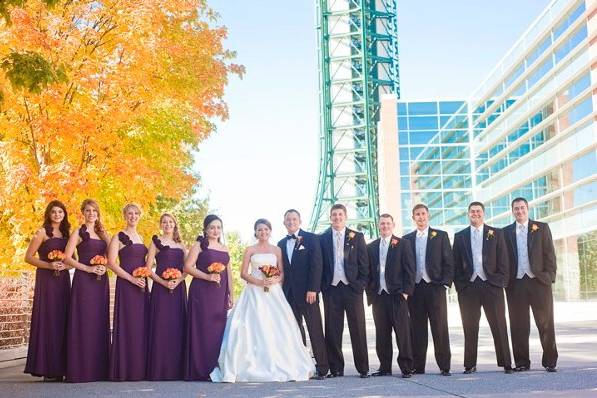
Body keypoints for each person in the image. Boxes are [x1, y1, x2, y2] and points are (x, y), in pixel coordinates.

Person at [210, 219, 314, 382]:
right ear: (255, 232)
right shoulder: (250, 250)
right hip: (253, 291)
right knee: (250, 326)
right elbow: (243, 273)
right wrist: (258, 282)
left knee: (276, 326)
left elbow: (281, 273)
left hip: (273, 292)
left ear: (270, 231)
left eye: (266, 229)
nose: (263, 232)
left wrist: (274, 280)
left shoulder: (276, 250)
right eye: (259, 230)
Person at [453, 201, 513, 374]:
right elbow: (455, 263)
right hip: (468, 287)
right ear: (468, 214)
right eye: (472, 212)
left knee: (499, 325)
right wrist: (460, 286)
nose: (475, 214)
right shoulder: (460, 236)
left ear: (483, 213)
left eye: (478, 211)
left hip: (492, 286)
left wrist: (500, 282)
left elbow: (504, 261)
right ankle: (470, 364)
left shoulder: (496, 233)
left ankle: (506, 362)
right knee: (469, 326)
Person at [504, 197, 558, 372]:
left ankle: (550, 361)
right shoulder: (505, 232)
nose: (519, 211)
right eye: (516, 209)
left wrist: (549, 277)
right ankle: (521, 362)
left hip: (539, 283)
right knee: (518, 325)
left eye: (522, 208)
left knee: (545, 323)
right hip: (516, 284)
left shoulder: (541, 228)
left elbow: (550, 253)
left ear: (527, 209)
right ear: (512, 211)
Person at [277, 209, 328, 380]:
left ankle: (322, 367)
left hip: (308, 293)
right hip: (289, 294)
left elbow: (317, 265)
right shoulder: (281, 244)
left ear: (300, 221)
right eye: (288, 219)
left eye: (294, 219)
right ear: (284, 223)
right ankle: (302, 365)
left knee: (315, 329)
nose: (291, 222)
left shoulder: (312, 238)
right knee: (295, 331)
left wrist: (313, 289)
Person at [403, 204, 454, 376]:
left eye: (423, 214)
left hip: (435, 288)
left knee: (439, 327)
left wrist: (445, 283)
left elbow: (449, 262)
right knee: (417, 329)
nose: (421, 217)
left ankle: (444, 365)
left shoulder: (440, 236)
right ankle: (418, 366)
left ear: (428, 215)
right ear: (413, 218)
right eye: (417, 214)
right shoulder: (406, 239)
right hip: (415, 289)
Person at [63, 199, 111, 382]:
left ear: (98, 213)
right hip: (84, 281)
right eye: (88, 211)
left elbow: (112, 256)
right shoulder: (78, 232)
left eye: (94, 211)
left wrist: (104, 266)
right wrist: (89, 269)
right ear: (83, 213)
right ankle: (81, 369)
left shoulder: (102, 233)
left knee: (99, 321)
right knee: (84, 322)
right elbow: (67, 258)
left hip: (101, 282)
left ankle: (99, 369)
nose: (91, 214)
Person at [320, 204, 370, 378]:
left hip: (352, 289)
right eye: (334, 215)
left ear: (345, 217)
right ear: (330, 217)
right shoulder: (322, 238)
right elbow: (320, 265)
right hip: (331, 289)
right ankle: (336, 368)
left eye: (340, 214)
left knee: (358, 327)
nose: (337, 217)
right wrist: (322, 286)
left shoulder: (357, 237)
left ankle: (363, 368)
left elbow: (364, 264)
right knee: (333, 330)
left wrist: (360, 285)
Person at [24, 200, 71, 381]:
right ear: (48, 214)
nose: (57, 214)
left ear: (64, 214)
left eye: (60, 211)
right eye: (54, 212)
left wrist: (64, 266)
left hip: (63, 283)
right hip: (47, 281)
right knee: (48, 320)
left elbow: (71, 260)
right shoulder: (42, 232)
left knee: (62, 320)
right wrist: (49, 266)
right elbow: (28, 257)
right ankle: (47, 367)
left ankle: (61, 367)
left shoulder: (67, 234)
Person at [367, 213, 415, 378]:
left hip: (397, 295)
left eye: (388, 223)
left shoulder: (403, 244)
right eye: (382, 224)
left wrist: (406, 292)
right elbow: (368, 273)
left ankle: (406, 367)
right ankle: (384, 366)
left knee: (402, 333)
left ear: (393, 225)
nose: (385, 226)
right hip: (379, 297)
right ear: (378, 226)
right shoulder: (371, 246)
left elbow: (410, 270)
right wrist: (370, 291)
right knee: (382, 334)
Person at [184, 215, 232, 381]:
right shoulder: (199, 245)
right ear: (205, 229)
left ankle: (214, 367)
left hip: (219, 295)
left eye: (218, 227)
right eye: (212, 227)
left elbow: (229, 274)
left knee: (217, 329)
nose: (215, 230)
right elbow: (188, 267)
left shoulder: (225, 248)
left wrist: (230, 293)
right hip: (202, 293)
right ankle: (199, 368)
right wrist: (207, 277)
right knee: (202, 328)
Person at [107, 203, 149, 381]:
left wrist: (143, 277)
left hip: (142, 285)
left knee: (141, 326)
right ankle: (125, 369)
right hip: (127, 285)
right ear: (125, 216)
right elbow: (111, 263)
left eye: (136, 214)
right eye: (129, 214)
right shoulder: (118, 236)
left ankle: (140, 369)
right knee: (128, 325)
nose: (133, 216)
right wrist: (131, 279)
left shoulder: (141, 237)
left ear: (139, 216)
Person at [146, 213, 188, 380]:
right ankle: (159, 369)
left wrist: (178, 280)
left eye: (170, 222)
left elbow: (187, 268)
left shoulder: (181, 245)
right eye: (164, 222)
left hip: (178, 289)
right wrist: (163, 283)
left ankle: (176, 369)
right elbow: (148, 269)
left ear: (175, 224)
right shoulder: (155, 242)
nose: (167, 224)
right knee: (161, 325)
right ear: (161, 224)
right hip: (160, 289)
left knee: (177, 325)